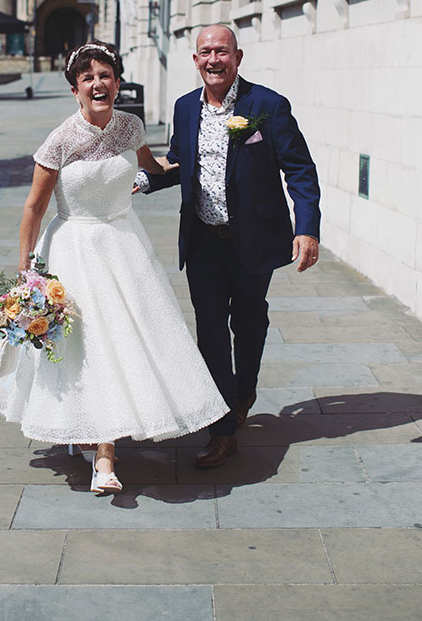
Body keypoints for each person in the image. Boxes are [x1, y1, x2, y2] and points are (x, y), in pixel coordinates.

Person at [0, 41, 229, 493]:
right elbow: (33, 209)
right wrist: (26, 270)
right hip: (73, 247)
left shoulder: (130, 126)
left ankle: (108, 442)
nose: (98, 84)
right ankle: (103, 454)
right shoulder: (60, 139)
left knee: (130, 342)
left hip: (125, 245)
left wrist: (212, 155)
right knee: (88, 348)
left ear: (116, 82)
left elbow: (154, 168)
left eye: (105, 75)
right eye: (88, 77)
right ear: (75, 89)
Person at [135, 24, 321, 467]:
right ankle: (222, 428)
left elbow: (300, 170)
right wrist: (141, 180)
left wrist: (307, 228)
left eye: (221, 51)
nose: (213, 60)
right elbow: (180, 162)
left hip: (253, 240)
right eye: (205, 53)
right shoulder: (184, 108)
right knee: (211, 332)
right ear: (195, 60)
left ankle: (243, 393)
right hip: (203, 240)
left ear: (238, 57)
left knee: (250, 323)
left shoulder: (267, 106)